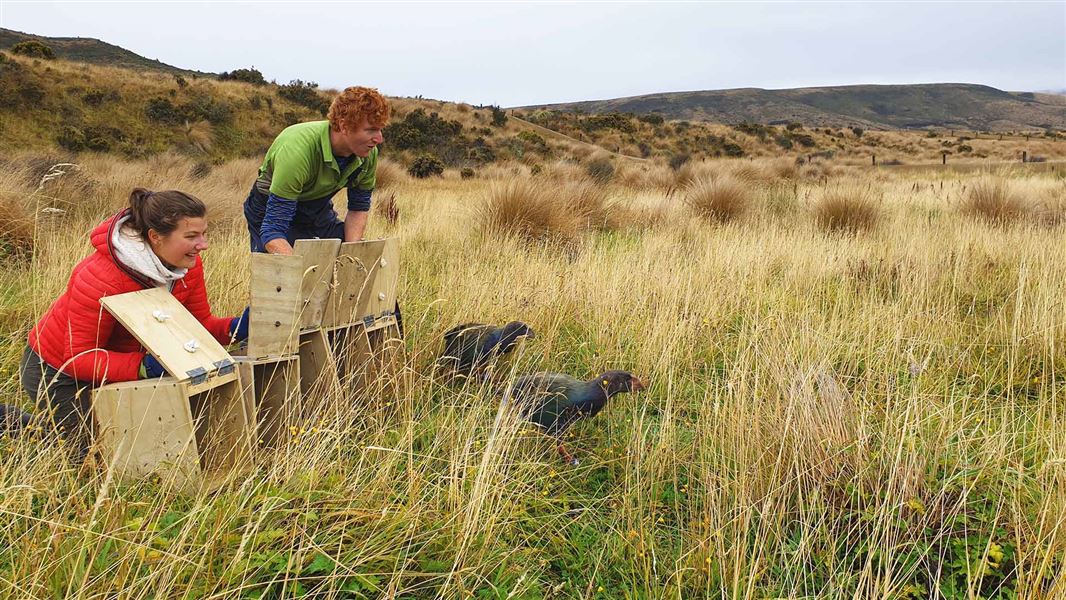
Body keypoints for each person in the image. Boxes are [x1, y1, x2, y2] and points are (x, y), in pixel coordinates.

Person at [19, 188, 249, 456]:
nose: (203, 244)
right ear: (155, 237)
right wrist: (144, 367)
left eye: (204, 233)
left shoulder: (187, 267)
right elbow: (79, 357)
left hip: (116, 364)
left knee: (132, 447)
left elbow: (196, 328)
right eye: (191, 236)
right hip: (58, 372)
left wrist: (236, 328)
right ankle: (13, 424)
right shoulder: (100, 277)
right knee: (93, 456)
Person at [243, 86, 389, 254]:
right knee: (280, 274)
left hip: (316, 208)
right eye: (371, 130)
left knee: (337, 259)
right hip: (270, 206)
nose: (379, 139)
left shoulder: (367, 154)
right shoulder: (297, 151)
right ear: (344, 126)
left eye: (380, 129)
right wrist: (299, 275)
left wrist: (350, 257)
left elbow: (358, 208)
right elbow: (272, 231)